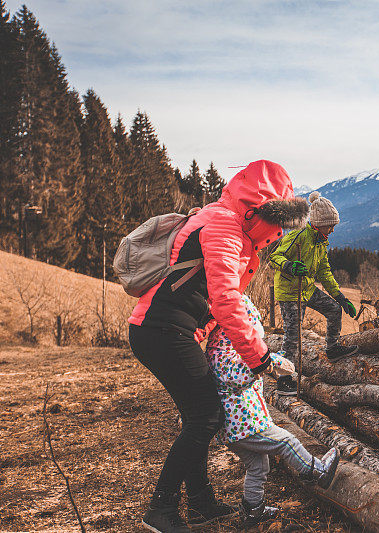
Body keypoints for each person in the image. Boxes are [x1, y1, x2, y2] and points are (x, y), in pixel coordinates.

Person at [128, 160, 309, 533]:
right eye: (274, 227)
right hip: (163, 330)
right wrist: (259, 358)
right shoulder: (225, 226)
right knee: (205, 416)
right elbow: (225, 299)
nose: (275, 236)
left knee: (198, 414)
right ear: (257, 211)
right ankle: (160, 511)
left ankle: (200, 503)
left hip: (168, 331)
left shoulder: (225, 219)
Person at [205, 294, 340, 528]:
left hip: (239, 425)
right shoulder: (222, 349)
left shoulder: (227, 344)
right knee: (287, 442)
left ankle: (253, 510)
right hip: (243, 425)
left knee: (258, 466)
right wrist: (269, 363)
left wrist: (271, 360)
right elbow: (238, 376)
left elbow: (248, 363)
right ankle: (317, 471)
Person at [269, 191, 359, 395]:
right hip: (290, 292)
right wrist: (290, 266)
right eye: (330, 225)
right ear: (318, 223)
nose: (333, 229)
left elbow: (323, 271)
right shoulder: (298, 236)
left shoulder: (322, 241)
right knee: (293, 336)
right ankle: (284, 378)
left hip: (307, 289)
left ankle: (332, 348)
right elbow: (274, 257)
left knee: (335, 310)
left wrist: (340, 297)